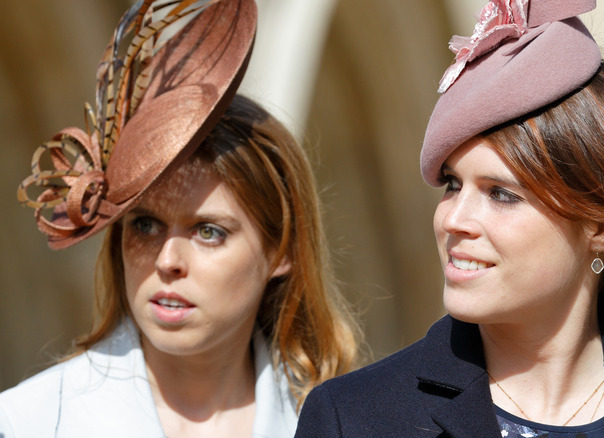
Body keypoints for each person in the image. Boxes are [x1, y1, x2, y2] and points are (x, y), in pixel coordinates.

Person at [295, 0, 604, 436]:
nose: (454, 221)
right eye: (452, 185)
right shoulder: (353, 418)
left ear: (603, 226)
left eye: (501, 194)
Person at [1, 0, 359, 436]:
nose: (168, 259)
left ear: (280, 248)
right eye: (145, 225)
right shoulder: (29, 421)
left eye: (208, 232)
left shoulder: (344, 422)